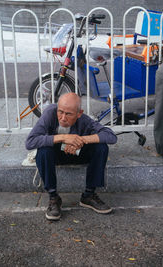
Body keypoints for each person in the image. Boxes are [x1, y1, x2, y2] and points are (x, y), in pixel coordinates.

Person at [25, 92, 117, 220]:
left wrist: (80, 140)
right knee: (43, 150)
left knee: (101, 148)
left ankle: (89, 195)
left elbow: (111, 136)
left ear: (79, 113)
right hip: (55, 155)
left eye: (68, 114)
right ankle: (53, 198)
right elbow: (30, 142)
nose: (62, 118)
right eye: (60, 111)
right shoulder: (50, 113)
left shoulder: (84, 120)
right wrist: (63, 138)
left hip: (77, 153)